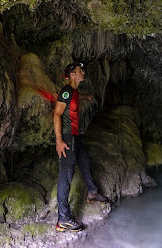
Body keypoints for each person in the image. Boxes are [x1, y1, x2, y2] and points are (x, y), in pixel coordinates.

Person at [54, 62, 109, 232]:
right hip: (67, 138)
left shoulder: (74, 92)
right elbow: (57, 114)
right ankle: (63, 219)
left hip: (75, 137)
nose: (83, 72)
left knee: (85, 160)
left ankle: (92, 193)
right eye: (80, 70)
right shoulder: (66, 91)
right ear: (72, 75)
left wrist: (87, 97)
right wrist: (59, 140)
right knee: (66, 175)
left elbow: (76, 98)